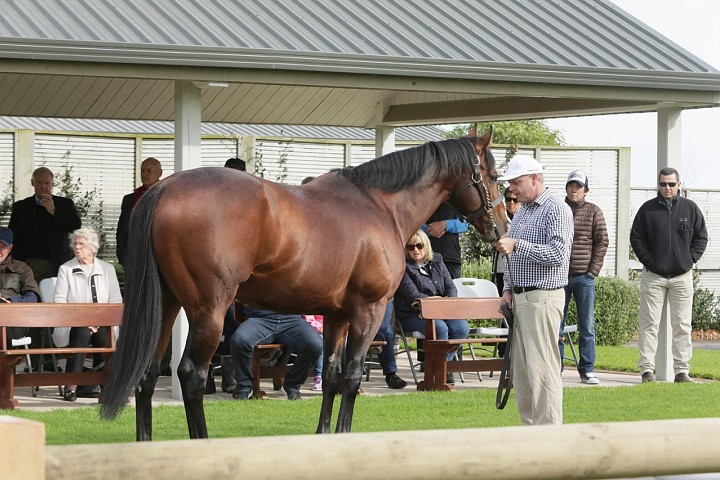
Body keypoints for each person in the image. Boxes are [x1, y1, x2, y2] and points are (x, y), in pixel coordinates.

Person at [494, 155, 573, 425]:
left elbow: (558, 254)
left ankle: (549, 436)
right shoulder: (525, 210)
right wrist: (507, 290)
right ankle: (531, 434)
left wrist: (517, 245)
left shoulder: (556, 209)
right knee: (523, 374)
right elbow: (511, 255)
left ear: (534, 178)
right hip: (521, 297)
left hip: (543, 297)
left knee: (542, 369)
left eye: (516, 182)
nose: (512, 188)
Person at [630, 167, 708, 384]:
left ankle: (682, 371)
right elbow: (636, 238)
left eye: (671, 184)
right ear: (658, 185)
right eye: (663, 184)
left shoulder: (690, 209)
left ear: (679, 185)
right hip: (653, 276)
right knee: (649, 324)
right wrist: (649, 260)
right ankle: (646, 370)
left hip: (682, 276)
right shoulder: (647, 210)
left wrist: (689, 259)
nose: (667, 188)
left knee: (682, 325)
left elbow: (701, 237)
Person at [52, 227, 122, 401]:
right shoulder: (65, 269)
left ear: (92, 247)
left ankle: (102, 385)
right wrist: (83, 321)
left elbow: (115, 301)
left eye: (81, 244)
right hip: (72, 323)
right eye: (75, 244)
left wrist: (98, 322)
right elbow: (60, 302)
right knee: (81, 332)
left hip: (103, 322)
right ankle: (72, 385)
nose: (76, 247)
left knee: (102, 336)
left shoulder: (107, 269)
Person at [394, 229, 469, 384]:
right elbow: (412, 294)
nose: (415, 250)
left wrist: (445, 302)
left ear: (426, 246)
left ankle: (442, 366)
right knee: (440, 328)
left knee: (461, 327)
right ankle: (439, 370)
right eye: (411, 246)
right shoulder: (403, 267)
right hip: (413, 314)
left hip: (441, 310)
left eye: (419, 246)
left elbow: (451, 287)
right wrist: (436, 302)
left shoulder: (438, 260)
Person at [559, 170, 608, 384]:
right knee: (555, 325)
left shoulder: (594, 211)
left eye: (578, 186)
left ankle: (587, 369)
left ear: (585, 190)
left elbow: (602, 241)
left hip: (584, 278)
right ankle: (555, 367)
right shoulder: (558, 209)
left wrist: (592, 271)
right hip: (558, 278)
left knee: (587, 325)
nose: (574, 190)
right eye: (571, 185)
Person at [229, 305, 323, 400]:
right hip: (259, 319)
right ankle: (244, 387)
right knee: (239, 341)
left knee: (315, 345)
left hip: (292, 320)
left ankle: (292, 385)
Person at [8, 166, 81, 281]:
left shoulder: (65, 204)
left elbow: (75, 226)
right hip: (30, 261)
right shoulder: (21, 207)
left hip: (58, 260)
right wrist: (19, 261)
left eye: (47, 183)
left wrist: (54, 211)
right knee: (32, 295)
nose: (43, 187)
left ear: (52, 184)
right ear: (33, 183)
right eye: (40, 183)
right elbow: (13, 235)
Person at [116, 157, 163, 268]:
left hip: (159, 256)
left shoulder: (167, 195)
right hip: (133, 256)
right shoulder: (129, 199)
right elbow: (122, 230)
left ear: (160, 173)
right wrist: (122, 256)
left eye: (149, 170)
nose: (145, 174)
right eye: (142, 170)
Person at [0, 227, 41, 341]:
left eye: (2, 247)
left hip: (13, 320)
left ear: (10, 248)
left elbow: (33, 297)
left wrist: (11, 302)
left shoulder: (21, 268)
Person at [423, 202, 467, 280]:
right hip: (426, 258)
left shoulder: (454, 199)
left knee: (453, 290)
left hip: (451, 259)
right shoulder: (422, 198)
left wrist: (445, 225)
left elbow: (464, 224)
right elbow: (411, 224)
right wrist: (430, 229)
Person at [492, 190, 519, 295]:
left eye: (515, 200)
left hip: (520, 268)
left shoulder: (525, 218)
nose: (511, 203)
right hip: (502, 268)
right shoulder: (498, 218)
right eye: (508, 199)